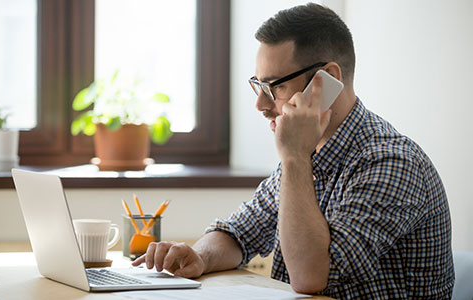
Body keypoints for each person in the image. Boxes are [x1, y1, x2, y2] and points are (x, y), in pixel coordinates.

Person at [133, 3, 454, 298]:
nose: (260, 104)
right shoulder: (308, 153)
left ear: (327, 80)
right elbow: (239, 233)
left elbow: (312, 278)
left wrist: (294, 158)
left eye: (276, 86)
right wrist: (199, 257)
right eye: (258, 86)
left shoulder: (390, 162)